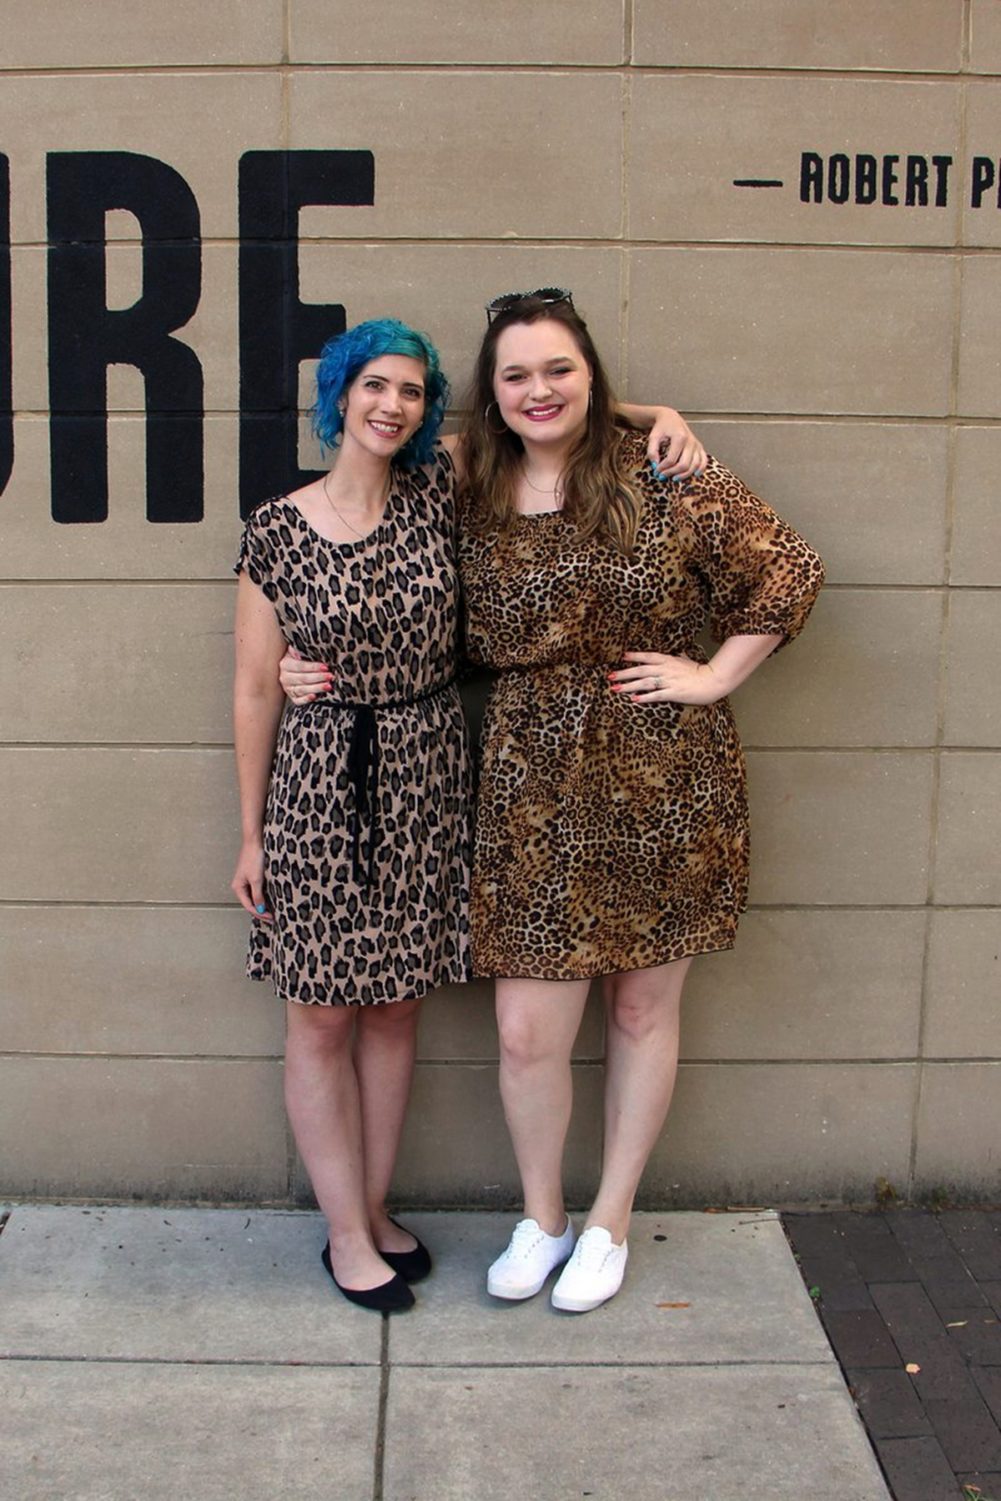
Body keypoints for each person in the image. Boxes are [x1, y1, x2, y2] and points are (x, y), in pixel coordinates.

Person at [234, 313, 702, 1315]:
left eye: (409, 390)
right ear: (340, 397)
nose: (391, 405)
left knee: (397, 1002)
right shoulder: (276, 526)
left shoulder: (439, 487)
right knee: (320, 1012)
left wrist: (653, 412)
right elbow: (250, 691)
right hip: (317, 783)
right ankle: (346, 1233)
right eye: (373, 387)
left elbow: (535, 410)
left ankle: (373, 1205)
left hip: (428, 773)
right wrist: (249, 832)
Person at [454, 290, 824, 1314]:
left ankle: (610, 1217)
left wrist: (711, 677)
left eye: (560, 368)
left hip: (663, 770)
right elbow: (392, 434)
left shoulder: (661, 475)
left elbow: (787, 570)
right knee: (528, 1028)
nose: (540, 389)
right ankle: (542, 1216)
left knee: (638, 1006)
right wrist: (639, 400)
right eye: (516, 373)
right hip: (528, 778)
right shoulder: (467, 483)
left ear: (590, 372)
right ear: (491, 392)